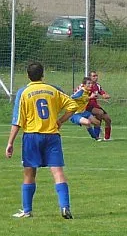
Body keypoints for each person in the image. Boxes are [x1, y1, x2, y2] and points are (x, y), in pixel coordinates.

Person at [5, 62, 78, 219]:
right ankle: (65, 207)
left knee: (29, 174)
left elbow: (17, 120)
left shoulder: (24, 92)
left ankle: (27, 210)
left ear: (28, 76)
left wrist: (10, 142)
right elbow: (73, 105)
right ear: (43, 75)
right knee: (58, 172)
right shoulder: (53, 90)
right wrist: (61, 120)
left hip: (32, 136)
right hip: (52, 136)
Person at [87, 70, 113, 140]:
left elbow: (102, 93)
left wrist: (106, 95)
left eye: (96, 76)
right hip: (87, 106)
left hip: (95, 106)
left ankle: (107, 138)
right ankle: (96, 135)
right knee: (99, 113)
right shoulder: (86, 86)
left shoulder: (97, 86)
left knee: (108, 119)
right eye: (93, 76)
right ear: (89, 77)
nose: (96, 77)